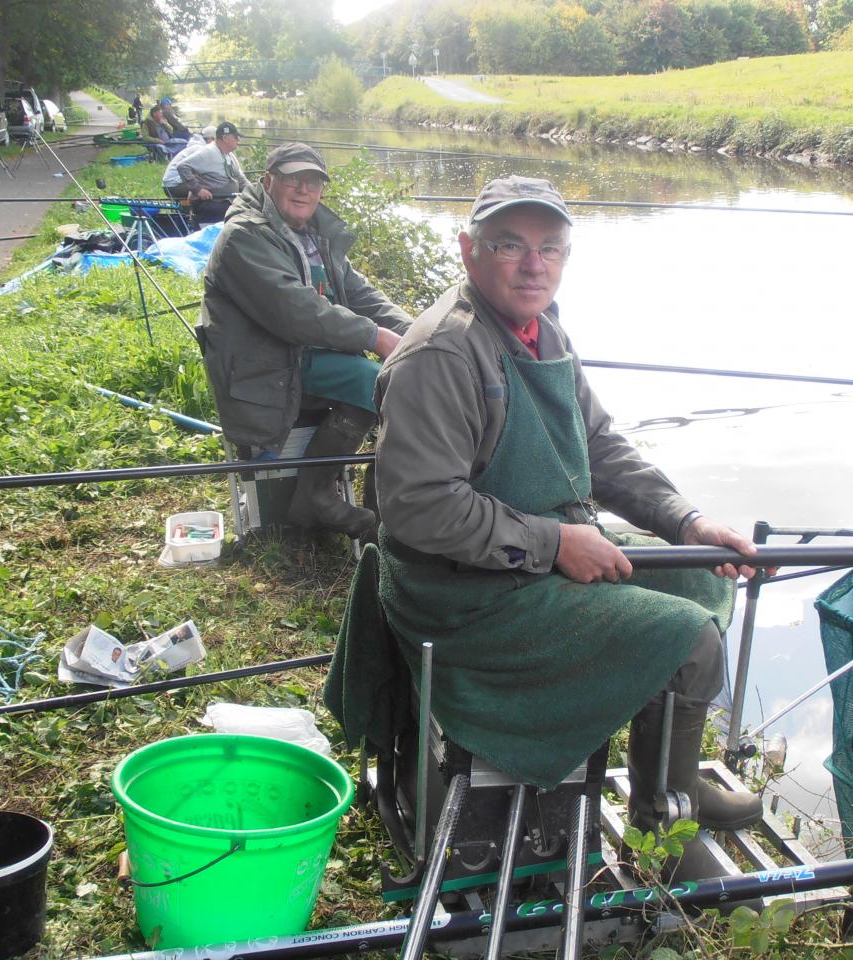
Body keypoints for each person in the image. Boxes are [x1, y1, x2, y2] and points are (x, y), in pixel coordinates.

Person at [363, 175, 766, 848]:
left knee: (698, 578)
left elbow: (600, 447)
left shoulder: (544, 330)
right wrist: (555, 545)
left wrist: (686, 521)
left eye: (551, 248)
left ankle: (663, 787)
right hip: (459, 593)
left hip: (525, 556)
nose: (534, 263)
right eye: (511, 245)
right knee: (688, 635)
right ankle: (668, 812)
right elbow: (419, 507)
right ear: (469, 251)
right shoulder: (441, 353)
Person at [196, 142, 413, 538]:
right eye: (293, 179)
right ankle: (316, 496)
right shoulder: (244, 236)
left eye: (312, 181)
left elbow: (362, 295)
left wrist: (420, 333)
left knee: (399, 373)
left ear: (321, 190)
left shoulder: (312, 235)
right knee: (377, 380)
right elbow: (296, 311)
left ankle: (373, 503)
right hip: (263, 367)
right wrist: (375, 336)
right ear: (267, 182)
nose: (303, 189)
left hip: (300, 356)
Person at [175, 121, 251, 224]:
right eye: (236, 137)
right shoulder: (207, 152)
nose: (239, 140)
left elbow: (241, 179)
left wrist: (255, 193)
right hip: (210, 202)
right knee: (242, 212)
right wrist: (198, 189)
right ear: (225, 138)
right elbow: (182, 167)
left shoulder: (230, 155)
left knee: (249, 208)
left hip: (226, 200)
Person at [162, 125, 215, 200]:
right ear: (210, 139)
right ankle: (191, 208)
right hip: (174, 184)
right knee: (210, 187)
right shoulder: (200, 149)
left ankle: (187, 208)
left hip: (171, 183)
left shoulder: (197, 147)